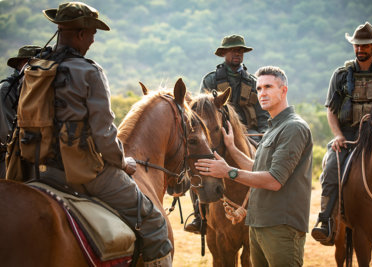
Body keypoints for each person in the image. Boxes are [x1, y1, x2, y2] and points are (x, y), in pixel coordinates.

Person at [19, 2, 172, 266]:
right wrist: (123, 163)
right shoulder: (90, 72)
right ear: (80, 34)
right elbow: (103, 134)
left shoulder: (33, 69)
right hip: (83, 173)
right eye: (92, 33)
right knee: (153, 220)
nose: (92, 40)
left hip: (37, 168)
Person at [196, 66, 313, 267]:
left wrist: (228, 172)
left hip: (281, 227)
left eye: (268, 87)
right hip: (259, 226)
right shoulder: (273, 128)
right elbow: (257, 168)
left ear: (283, 90)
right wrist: (232, 148)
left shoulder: (293, 127)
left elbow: (274, 180)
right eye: (258, 89)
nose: (262, 93)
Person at [311, 22, 372, 245]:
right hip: (348, 136)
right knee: (331, 166)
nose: (360, 49)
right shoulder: (340, 75)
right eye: (357, 45)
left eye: (365, 45)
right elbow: (330, 110)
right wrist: (337, 135)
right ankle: (326, 221)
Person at [185, 34, 269, 233]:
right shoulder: (211, 79)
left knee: (265, 165)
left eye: (240, 50)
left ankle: (268, 211)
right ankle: (200, 216)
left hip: (251, 133)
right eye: (233, 50)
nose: (237, 53)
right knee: (199, 167)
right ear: (223, 54)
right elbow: (199, 111)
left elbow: (262, 114)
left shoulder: (253, 81)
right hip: (219, 134)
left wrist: (265, 134)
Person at [0, 45, 41, 179]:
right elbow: (6, 134)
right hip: (6, 158)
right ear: (21, 64)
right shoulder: (6, 90)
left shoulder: (35, 89)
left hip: (28, 154)